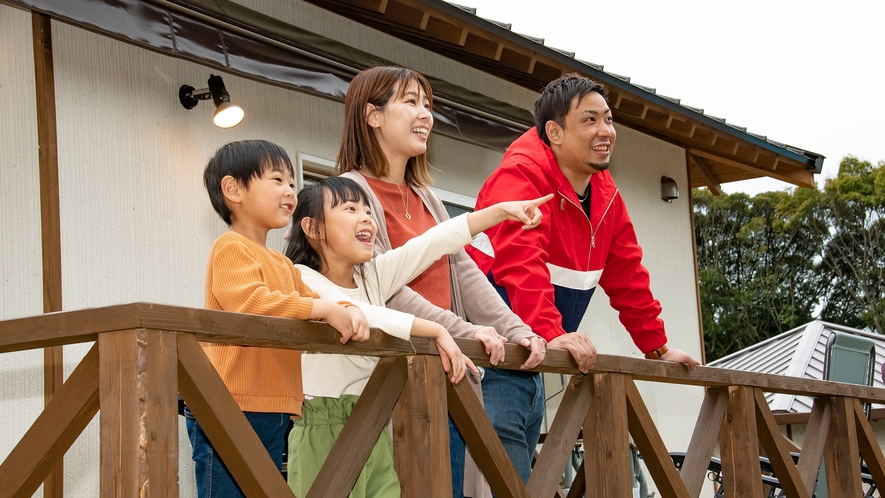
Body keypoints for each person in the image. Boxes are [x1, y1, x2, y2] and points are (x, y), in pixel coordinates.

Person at [465, 73, 701, 482]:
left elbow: (628, 274)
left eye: (608, 119)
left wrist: (657, 348)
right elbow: (523, 264)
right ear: (554, 132)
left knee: (522, 472)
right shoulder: (519, 178)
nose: (605, 130)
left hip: (534, 353)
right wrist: (552, 333)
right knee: (501, 476)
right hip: (489, 353)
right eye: (589, 120)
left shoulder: (606, 195)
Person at [335, 65, 548, 497]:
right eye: (410, 102)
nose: (425, 114)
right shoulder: (348, 194)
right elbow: (382, 290)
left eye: (428, 105)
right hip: (396, 381)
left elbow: (464, 272)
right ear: (372, 116)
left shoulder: (427, 196)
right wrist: (466, 331)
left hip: (449, 369)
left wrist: (516, 330)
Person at [282, 176, 551, 496]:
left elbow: (431, 243)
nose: (366, 216)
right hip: (321, 423)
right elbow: (360, 314)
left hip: (373, 419)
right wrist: (435, 329)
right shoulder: (299, 277)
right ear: (312, 229)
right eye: (350, 208)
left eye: (368, 209)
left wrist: (499, 212)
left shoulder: (373, 276)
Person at [188, 139, 368, 497]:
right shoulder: (230, 246)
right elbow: (251, 302)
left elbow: (311, 300)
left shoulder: (283, 263)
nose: (289, 190)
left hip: (273, 404)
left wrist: (346, 308)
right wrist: (324, 310)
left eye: (291, 182)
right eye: (276, 179)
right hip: (227, 402)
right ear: (233, 189)